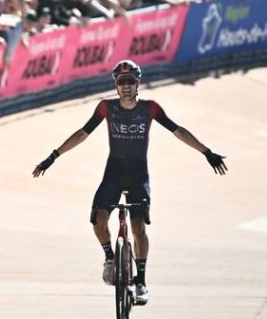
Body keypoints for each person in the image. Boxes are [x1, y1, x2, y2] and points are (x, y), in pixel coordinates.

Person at [31, 59, 227, 306]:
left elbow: (178, 131)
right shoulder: (106, 108)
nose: (125, 86)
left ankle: (141, 281)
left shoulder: (151, 108)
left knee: (137, 227)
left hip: (138, 176)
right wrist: (53, 156)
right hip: (113, 174)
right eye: (121, 82)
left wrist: (206, 152)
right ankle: (110, 258)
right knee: (99, 220)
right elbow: (82, 133)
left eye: (130, 81)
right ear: (115, 85)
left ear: (138, 83)